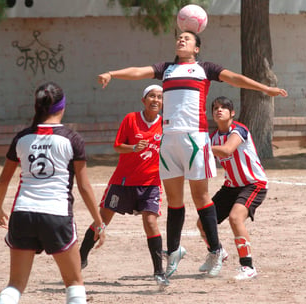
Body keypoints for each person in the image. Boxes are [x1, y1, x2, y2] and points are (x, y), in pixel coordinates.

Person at [97, 30, 287, 278]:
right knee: (174, 201)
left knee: (201, 197)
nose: (181, 40)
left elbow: (235, 78)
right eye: (179, 38)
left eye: (187, 38)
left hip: (194, 139)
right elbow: (138, 71)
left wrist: (265, 88)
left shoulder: (205, 68)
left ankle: (216, 250)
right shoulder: (165, 68)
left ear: (197, 48)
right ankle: (174, 251)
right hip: (169, 140)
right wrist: (112, 74)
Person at [0, 81, 106, 304]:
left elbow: (4, 179)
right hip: (56, 215)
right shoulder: (72, 139)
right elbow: (84, 186)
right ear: (62, 107)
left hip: (23, 214)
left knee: (15, 285)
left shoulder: (22, 138)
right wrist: (98, 222)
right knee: (74, 283)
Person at [79, 85, 169, 286]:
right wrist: (133, 147)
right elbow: (118, 146)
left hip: (150, 183)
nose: (156, 100)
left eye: (160, 97)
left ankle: (159, 272)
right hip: (123, 181)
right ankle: (81, 257)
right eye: (152, 96)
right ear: (143, 100)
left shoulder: (166, 124)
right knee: (102, 219)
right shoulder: (131, 119)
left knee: (151, 223)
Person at [197, 96, 268, 280]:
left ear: (232, 113)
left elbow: (228, 150)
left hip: (253, 185)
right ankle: (217, 252)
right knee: (203, 223)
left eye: (223, 108)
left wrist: (199, 146)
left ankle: (248, 267)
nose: (219, 110)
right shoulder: (212, 138)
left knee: (235, 218)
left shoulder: (238, 130)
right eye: (215, 108)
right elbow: (204, 162)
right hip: (230, 187)